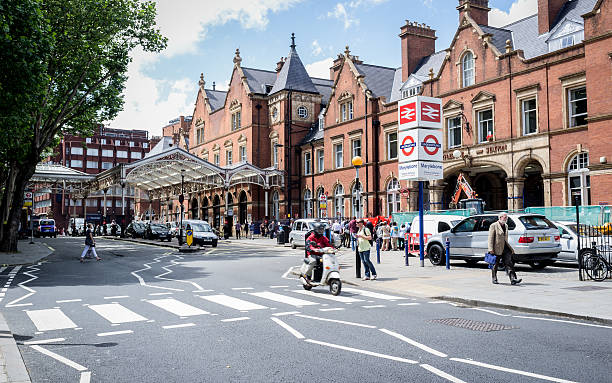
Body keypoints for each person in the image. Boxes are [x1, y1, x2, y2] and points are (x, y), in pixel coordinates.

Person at [488, 212, 521, 285]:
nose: (506, 219)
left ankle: (513, 279)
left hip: (505, 247)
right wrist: (491, 249)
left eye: (507, 218)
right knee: (495, 264)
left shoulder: (506, 225)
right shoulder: (494, 225)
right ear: (500, 217)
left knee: (509, 263)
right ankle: (494, 278)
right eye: (505, 217)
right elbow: (490, 238)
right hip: (497, 248)